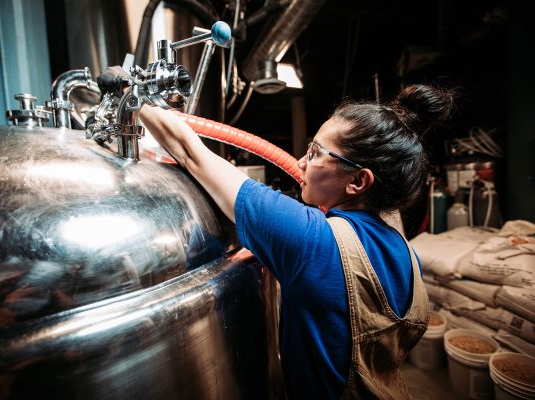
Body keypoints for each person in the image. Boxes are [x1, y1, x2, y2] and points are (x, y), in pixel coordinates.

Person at [101, 70, 454, 398]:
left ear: (358, 181)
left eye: (316, 153)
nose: (301, 162)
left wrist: (130, 91)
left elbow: (191, 153)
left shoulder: (311, 240)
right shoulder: (404, 250)